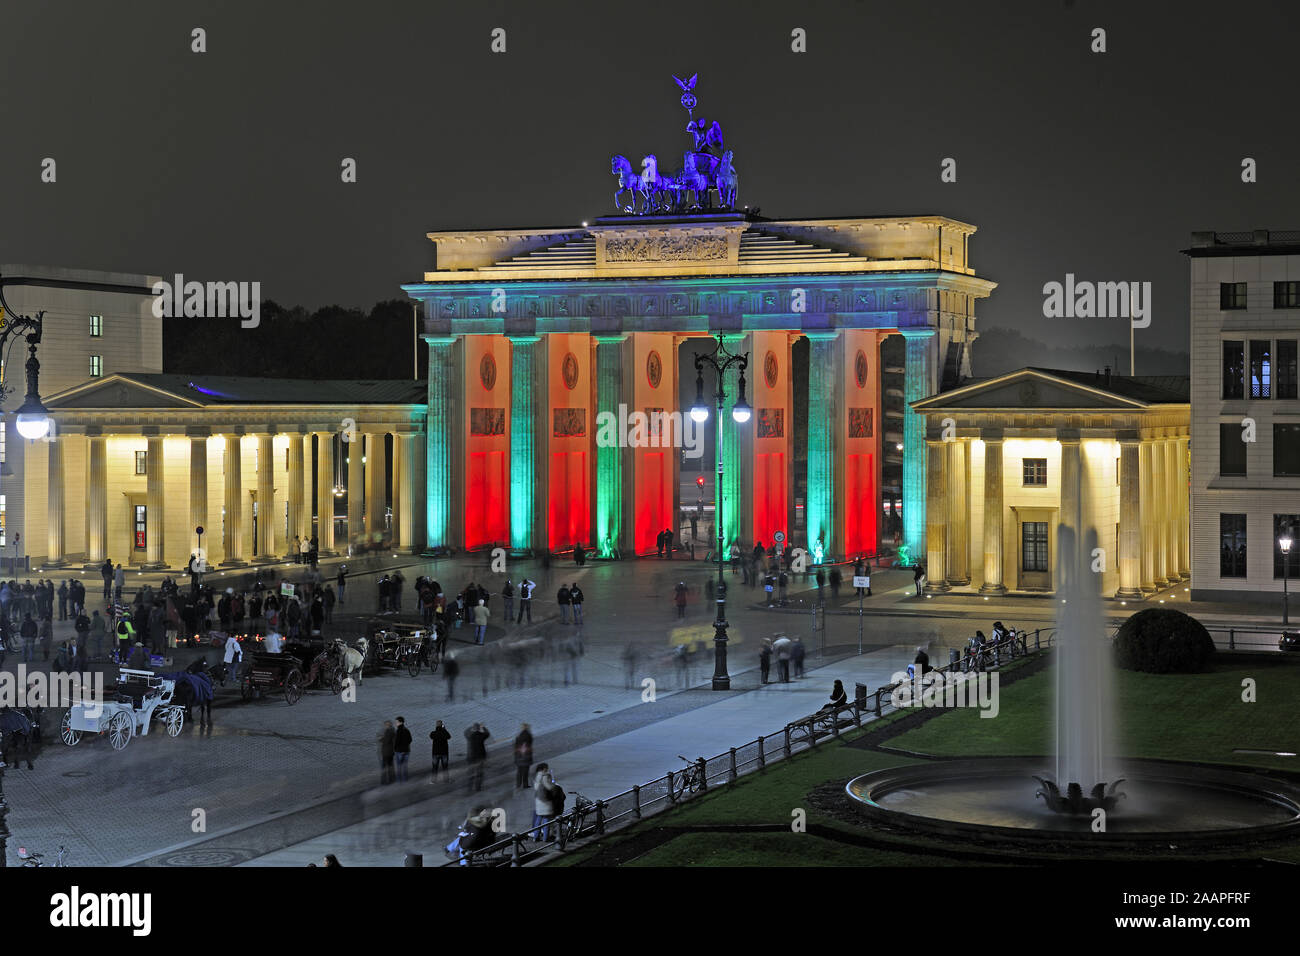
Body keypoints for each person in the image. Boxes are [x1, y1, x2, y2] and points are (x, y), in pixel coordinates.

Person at [532, 764, 559, 842]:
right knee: (546, 819)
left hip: (538, 800)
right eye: (546, 768)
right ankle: (545, 838)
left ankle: (536, 836)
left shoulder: (536, 776)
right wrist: (554, 784)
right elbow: (549, 787)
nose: (547, 769)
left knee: (538, 819)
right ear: (543, 769)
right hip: (545, 801)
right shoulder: (545, 776)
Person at [464, 722, 490, 793]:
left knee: (470, 773)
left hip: (471, 758)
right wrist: (483, 727)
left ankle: (469, 788)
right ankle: (478, 788)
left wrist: (471, 728)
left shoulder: (470, 737)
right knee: (479, 773)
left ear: (473, 729)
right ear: (479, 729)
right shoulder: (482, 736)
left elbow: (465, 732)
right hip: (480, 758)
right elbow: (487, 733)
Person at [514, 723, 534, 790]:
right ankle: (525, 785)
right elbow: (531, 742)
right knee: (525, 772)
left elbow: (515, 746)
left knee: (519, 772)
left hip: (519, 757)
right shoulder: (528, 736)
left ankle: (518, 785)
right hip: (526, 757)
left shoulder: (518, 736)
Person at [393, 716, 412, 783]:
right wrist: (405, 745)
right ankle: (405, 781)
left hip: (399, 751)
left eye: (396, 722)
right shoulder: (407, 730)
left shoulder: (398, 731)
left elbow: (397, 741)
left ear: (400, 722)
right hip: (407, 750)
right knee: (404, 767)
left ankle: (399, 782)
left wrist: (395, 748)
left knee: (399, 767)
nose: (395, 723)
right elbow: (410, 740)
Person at [379, 720, 396, 785]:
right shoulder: (393, 731)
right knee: (391, 765)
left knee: (384, 767)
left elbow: (386, 741)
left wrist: (381, 739)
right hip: (391, 752)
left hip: (386, 752)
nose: (384, 726)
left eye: (385, 725)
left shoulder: (388, 731)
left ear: (387, 725)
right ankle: (392, 779)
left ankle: (385, 782)